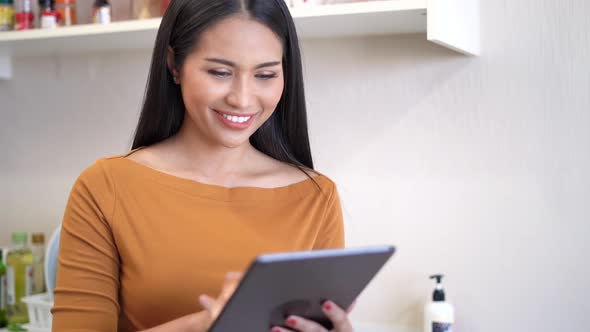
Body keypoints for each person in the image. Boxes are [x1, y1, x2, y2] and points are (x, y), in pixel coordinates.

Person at [51, 0, 353, 331]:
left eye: (265, 74)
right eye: (220, 72)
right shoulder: (106, 187)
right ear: (174, 65)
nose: (242, 98)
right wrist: (203, 325)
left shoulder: (316, 196)